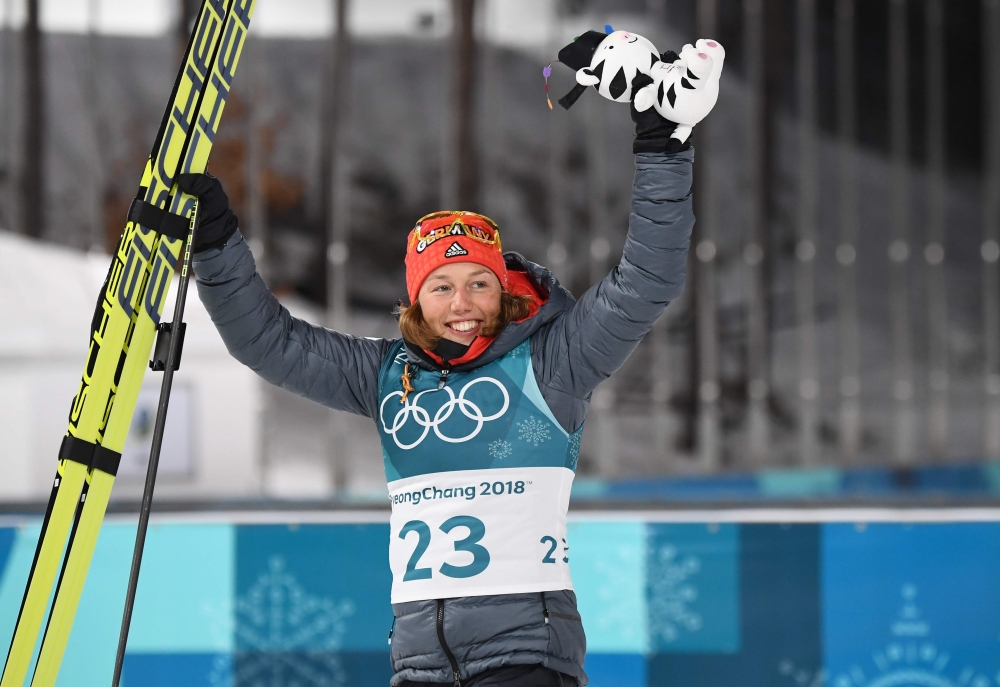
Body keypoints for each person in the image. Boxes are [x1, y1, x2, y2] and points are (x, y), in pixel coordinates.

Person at [181, 79, 698, 687]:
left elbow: (648, 278)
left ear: (502, 290)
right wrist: (216, 246)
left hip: (526, 660)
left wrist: (662, 147)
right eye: (441, 286)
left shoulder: (556, 361)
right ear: (416, 300)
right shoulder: (384, 374)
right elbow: (267, 341)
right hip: (422, 665)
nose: (462, 302)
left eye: (478, 282)